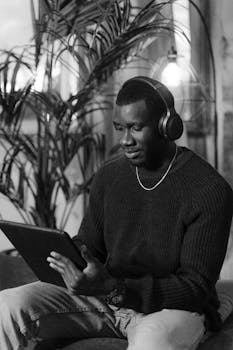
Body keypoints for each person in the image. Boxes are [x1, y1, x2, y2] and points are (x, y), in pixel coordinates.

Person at [0, 76, 233, 350]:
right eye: (119, 128)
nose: (125, 140)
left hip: (172, 309)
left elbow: (194, 289)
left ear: (167, 126)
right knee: (7, 305)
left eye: (135, 127)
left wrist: (116, 288)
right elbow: (90, 245)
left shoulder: (208, 189)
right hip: (105, 297)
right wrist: (74, 260)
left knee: (153, 341)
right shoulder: (109, 175)